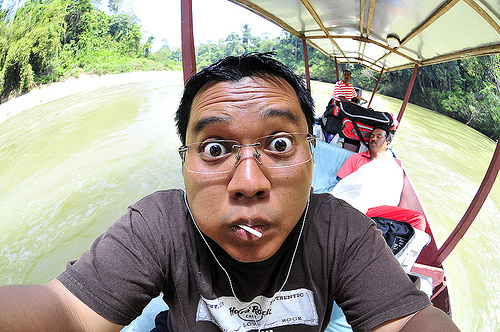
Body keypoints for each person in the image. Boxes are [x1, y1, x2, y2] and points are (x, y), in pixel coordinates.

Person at [0, 53, 458, 331]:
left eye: (279, 145)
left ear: (312, 152)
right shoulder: (160, 227)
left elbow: (406, 322)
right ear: (184, 163)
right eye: (216, 148)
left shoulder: (339, 230)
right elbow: (66, 313)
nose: (249, 182)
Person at [334, 127, 427, 231]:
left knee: (418, 219)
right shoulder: (356, 158)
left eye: (379, 137)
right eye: (372, 136)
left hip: (377, 209)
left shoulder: (393, 167)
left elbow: (393, 193)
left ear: (387, 144)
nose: (374, 139)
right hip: (353, 204)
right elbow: (343, 184)